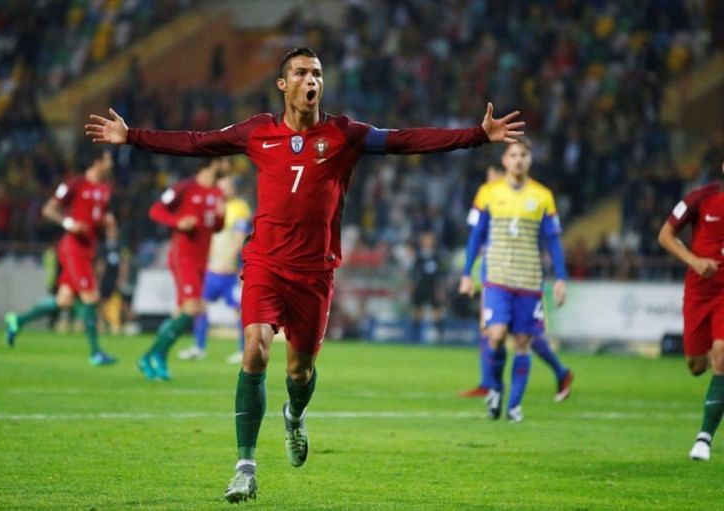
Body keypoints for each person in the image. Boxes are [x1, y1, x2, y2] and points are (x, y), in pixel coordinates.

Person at [85, 47, 524, 503]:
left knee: (300, 371)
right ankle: (245, 468)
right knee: (254, 351)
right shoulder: (258, 132)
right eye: (300, 73)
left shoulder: (344, 134)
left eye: (317, 73)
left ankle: (294, 416)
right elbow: (197, 143)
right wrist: (131, 135)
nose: (311, 79)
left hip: (314, 274)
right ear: (283, 84)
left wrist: (477, 135)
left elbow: (405, 140)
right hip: (264, 265)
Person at [459, 141, 567, 422]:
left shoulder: (543, 196)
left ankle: (514, 406)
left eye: (524, 155)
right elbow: (475, 236)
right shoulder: (488, 193)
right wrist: (466, 273)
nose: (519, 160)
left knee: (522, 341)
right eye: (513, 155)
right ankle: (495, 388)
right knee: (494, 336)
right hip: (496, 276)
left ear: (530, 160)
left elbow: (553, 241)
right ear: (504, 161)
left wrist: (560, 278)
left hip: (529, 278)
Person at [4, 150, 117, 366]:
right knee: (91, 298)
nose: (111, 164)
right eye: (108, 159)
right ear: (97, 162)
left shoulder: (104, 190)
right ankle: (96, 353)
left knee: (64, 300)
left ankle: (17, 321)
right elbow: (48, 209)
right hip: (73, 248)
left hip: (88, 249)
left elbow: (99, 217)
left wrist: (106, 222)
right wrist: (69, 223)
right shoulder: (75, 184)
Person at [657, 158, 724, 461]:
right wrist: (695, 262)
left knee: (722, 356)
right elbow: (665, 235)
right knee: (697, 365)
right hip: (699, 290)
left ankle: (704, 439)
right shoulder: (701, 197)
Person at [137, 158, 227, 381]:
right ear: (213, 162)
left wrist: (221, 215)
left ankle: (152, 357)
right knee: (193, 308)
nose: (228, 164)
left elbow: (215, 227)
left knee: (182, 313)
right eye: (224, 160)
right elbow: (156, 210)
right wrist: (177, 221)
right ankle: (153, 355)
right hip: (182, 256)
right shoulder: (185, 187)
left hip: (200, 260)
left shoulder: (216, 192)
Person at [177, 175, 252, 364]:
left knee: (241, 311)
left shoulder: (239, 208)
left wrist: (232, 262)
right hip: (211, 269)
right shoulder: (212, 205)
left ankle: (243, 351)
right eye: (221, 186)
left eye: (227, 186)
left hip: (229, 271)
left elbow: (240, 238)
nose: (224, 190)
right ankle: (198, 347)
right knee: (199, 306)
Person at [409, 231, 445, 343]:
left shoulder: (437, 256)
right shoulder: (419, 256)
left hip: (433, 287)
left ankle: (439, 337)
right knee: (417, 311)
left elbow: (440, 274)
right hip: (420, 287)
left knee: (436, 312)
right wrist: (412, 286)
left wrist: (440, 289)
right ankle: (414, 338)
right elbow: (413, 273)